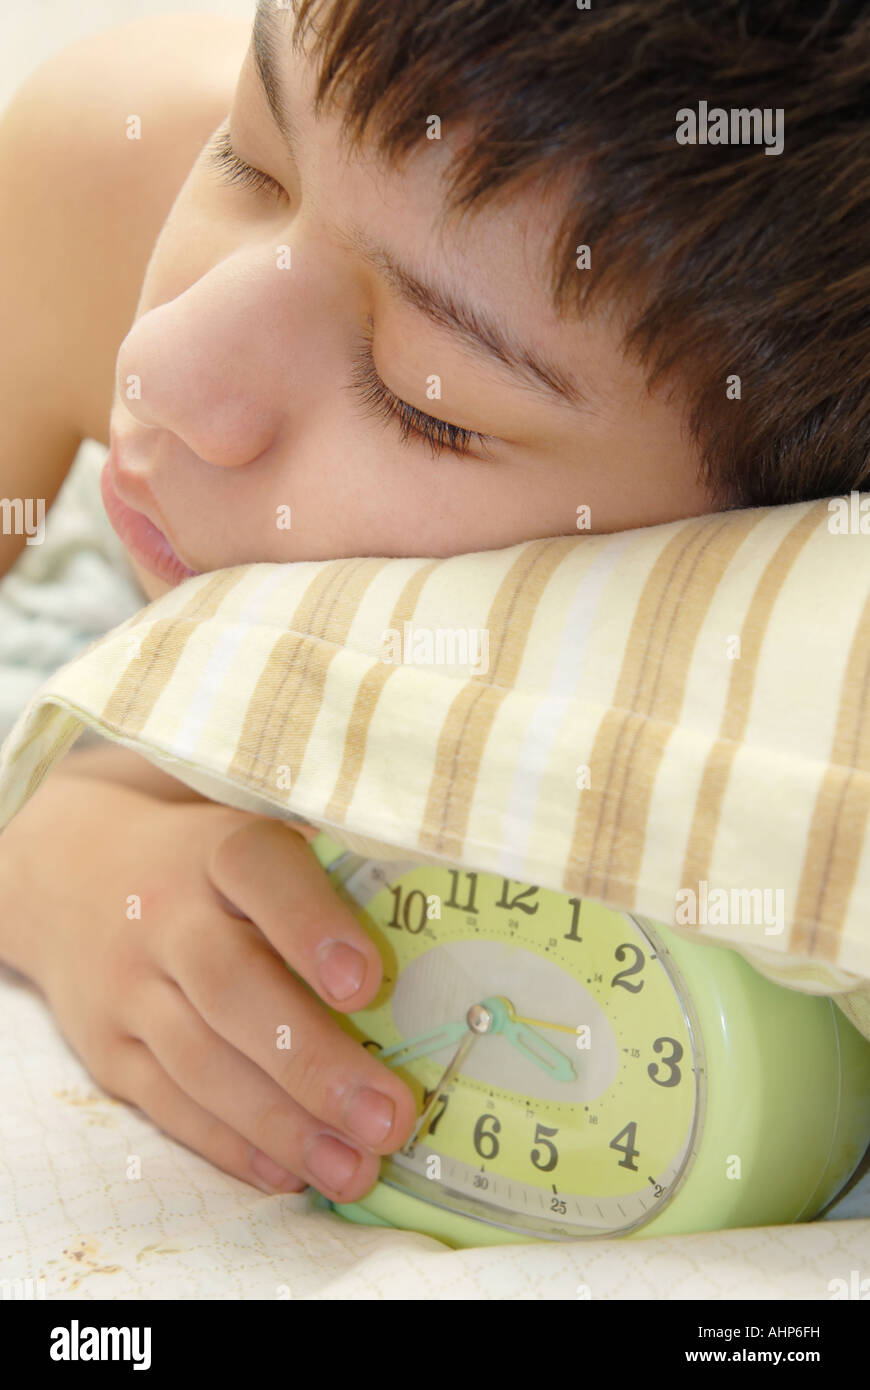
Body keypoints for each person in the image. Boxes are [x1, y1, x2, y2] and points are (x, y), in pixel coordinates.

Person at [0, 0, 866, 1206]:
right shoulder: (104, 170)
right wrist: (47, 845)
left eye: (423, 396)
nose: (160, 363)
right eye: (249, 156)